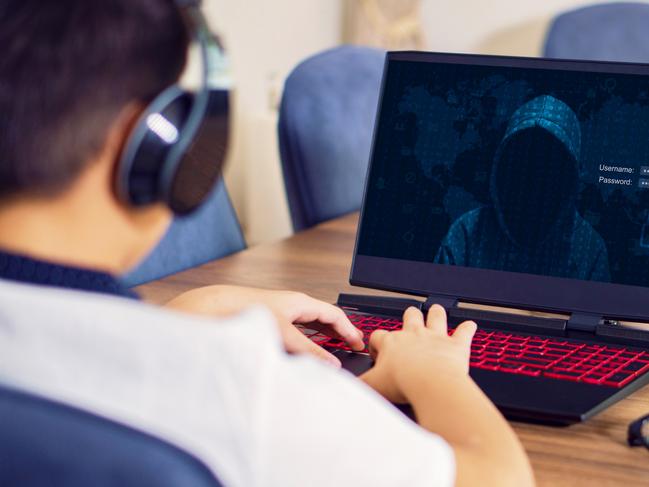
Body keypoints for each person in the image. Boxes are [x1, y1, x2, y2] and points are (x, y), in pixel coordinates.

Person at [0, 1, 533, 486]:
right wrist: (436, 375)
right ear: (153, 150)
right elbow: (498, 478)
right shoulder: (242, 389)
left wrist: (192, 310)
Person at [436, 95, 610, 282]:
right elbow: (437, 301)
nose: (534, 175)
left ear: (568, 174)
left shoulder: (589, 249)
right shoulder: (466, 233)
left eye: (548, 162)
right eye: (524, 158)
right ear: (505, 164)